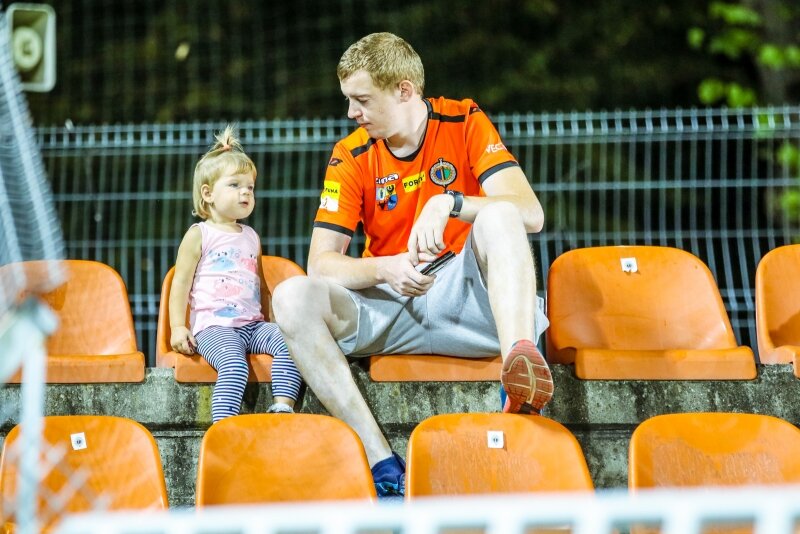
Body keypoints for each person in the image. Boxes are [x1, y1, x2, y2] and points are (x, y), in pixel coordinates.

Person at [272, 32, 552, 497]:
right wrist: (385, 269)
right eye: (348, 100)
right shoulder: (351, 154)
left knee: (501, 214)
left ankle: (517, 380)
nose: (351, 112)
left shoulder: (464, 119)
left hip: (467, 300)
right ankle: (382, 464)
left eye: (362, 100)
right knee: (290, 295)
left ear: (404, 90)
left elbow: (530, 213)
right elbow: (320, 263)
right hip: (391, 305)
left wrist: (449, 202)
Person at [169, 125, 302, 423]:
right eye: (235, 185)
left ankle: (283, 407)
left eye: (250, 187)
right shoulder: (199, 234)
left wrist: (272, 320)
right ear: (208, 194)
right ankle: (223, 428)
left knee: (293, 342)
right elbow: (180, 284)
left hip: (253, 326)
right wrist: (178, 327)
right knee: (234, 365)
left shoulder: (251, 236)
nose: (245, 192)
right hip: (214, 328)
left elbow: (260, 286)